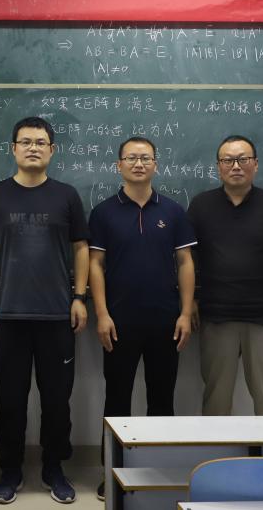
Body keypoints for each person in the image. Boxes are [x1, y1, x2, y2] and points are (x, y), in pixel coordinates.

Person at [0, 116, 89, 505]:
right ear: (13, 149)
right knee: (10, 401)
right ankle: (10, 470)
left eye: (40, 142)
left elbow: (81, 248)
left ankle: (54, 469)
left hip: (57, 315)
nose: (33, 148)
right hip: (9, 315)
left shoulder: (67, 195)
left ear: (52, 150)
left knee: (57, 401)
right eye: (25, 142)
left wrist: (79, 297)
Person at [88, 136, 196, 500]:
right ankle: (112, 473)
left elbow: (185, 263)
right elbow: (96, 265)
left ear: (155, 165)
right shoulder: (103, 212)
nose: (138, 163)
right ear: (118, 165)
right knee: (117, 400)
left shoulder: (173, 211)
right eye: (131, 158)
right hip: (118, 322)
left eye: (145, 158)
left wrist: (185, 313)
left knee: (162, 399)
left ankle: (156, 472)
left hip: (166, 320)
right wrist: (102, 314)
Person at [187, 134, 263, 416]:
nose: (236, 166)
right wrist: (189, 302)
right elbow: (187, 259)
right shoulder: (201, 205)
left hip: (262, 315)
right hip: (216, 316)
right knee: (216, 398)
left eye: (243, 159)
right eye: (228, 160)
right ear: (218, 166)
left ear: (256, 164)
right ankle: (216, 446)